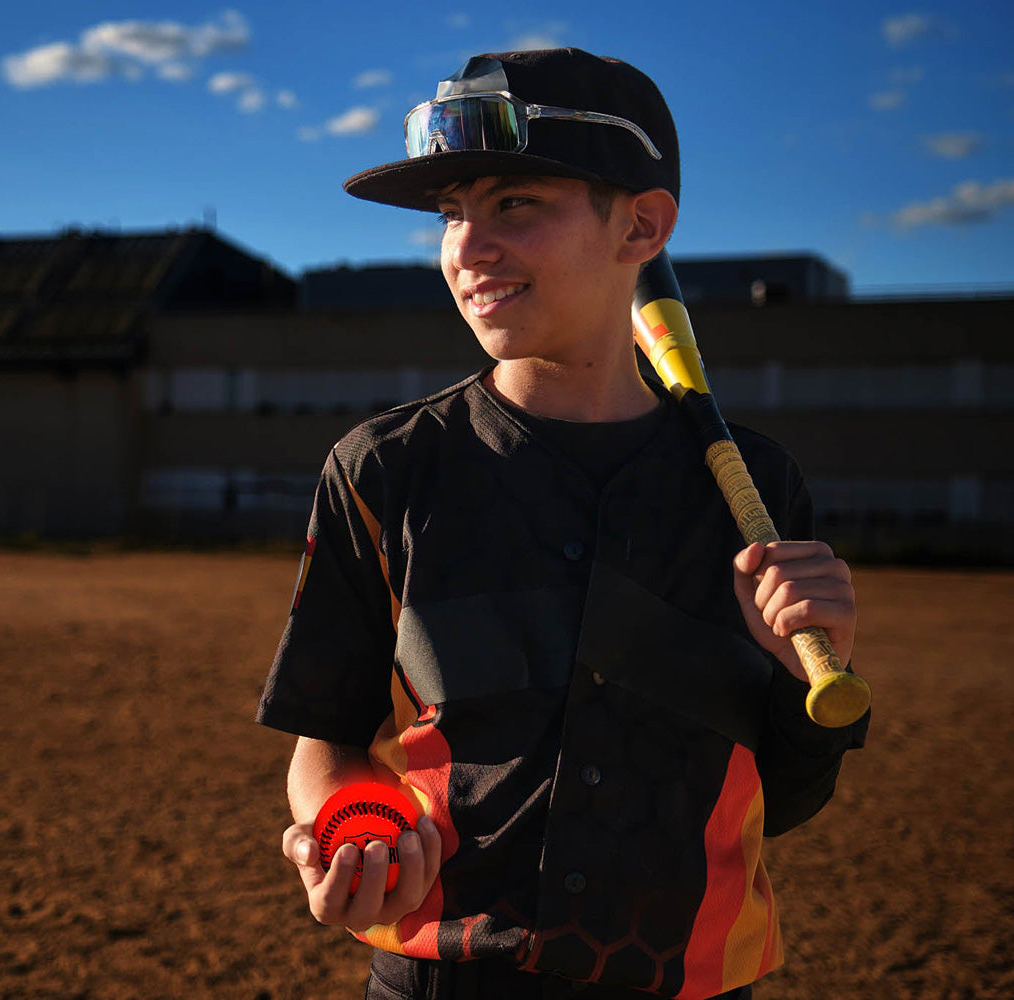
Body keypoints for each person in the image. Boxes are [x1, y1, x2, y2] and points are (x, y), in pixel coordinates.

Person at [255, 48, 868, 1000]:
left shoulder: (751, 487)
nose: (467, 247)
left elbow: (779, 802)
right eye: (453, 215)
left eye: (515, 205)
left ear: (642, 225)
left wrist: (801, 684)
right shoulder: (383, 469)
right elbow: (326, 741)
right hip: (441, 977)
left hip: (685, 980)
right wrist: (356, 826)